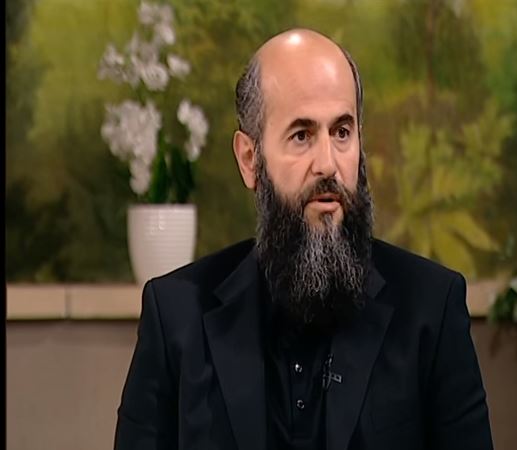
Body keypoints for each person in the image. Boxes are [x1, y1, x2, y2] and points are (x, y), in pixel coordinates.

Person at [115, 28, 493, 450]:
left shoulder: (431, 309)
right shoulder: (177, 317)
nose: (328, 164)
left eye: (342, 132)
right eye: (302, 135)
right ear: (249, 159)